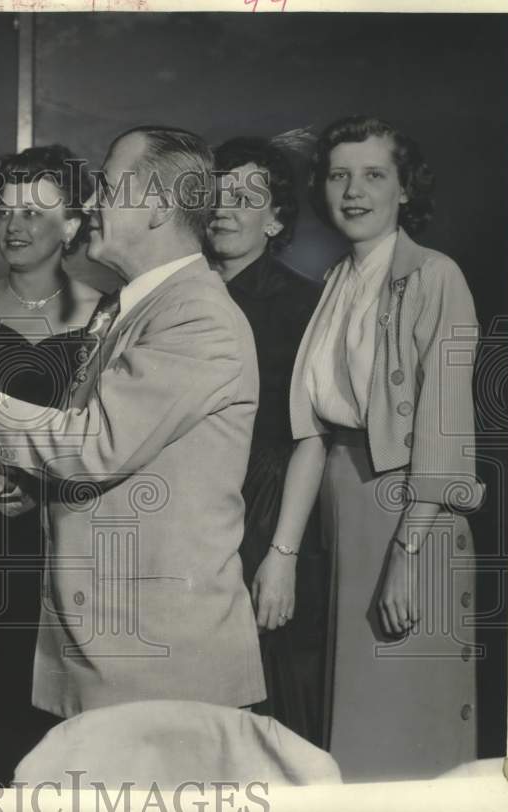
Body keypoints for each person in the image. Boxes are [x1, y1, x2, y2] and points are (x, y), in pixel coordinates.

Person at [0, 126, 266, 719]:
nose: (93, 203)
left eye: (108, 188)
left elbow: (96, 445)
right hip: (114, 650)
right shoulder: (142, 308)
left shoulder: (196, 316)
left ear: (157, 206)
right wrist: (15, 485)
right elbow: (116, 455)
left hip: (157, 660)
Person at [280, 115, 482, 779]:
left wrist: (408, 552)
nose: (353, 190)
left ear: (404, 190)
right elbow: (314, 423)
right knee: (353, 733)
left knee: (404, 734)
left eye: (373, 175)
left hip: (410, 516)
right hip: (346, 508)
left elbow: (446, 428)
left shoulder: (434, 275)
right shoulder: (341, 279)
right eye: (339, 175)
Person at [0, 144, 100, 783]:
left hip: (72, 541)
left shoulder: (107, 317)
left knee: (68, 726)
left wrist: (43, 491)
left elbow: (108, 440)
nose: (14, 225)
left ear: (71, 227)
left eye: (36, 213)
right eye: (5, 210)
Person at [207, 136, 326, 744]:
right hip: (197, 513)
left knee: (269, 699)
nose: (224, 208)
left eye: (244, 196)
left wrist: (282, 557)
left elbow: (312, 438)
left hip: (267, 510)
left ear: (275, 218)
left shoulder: (303, 303)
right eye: (215, 193)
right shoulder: (182, 294)